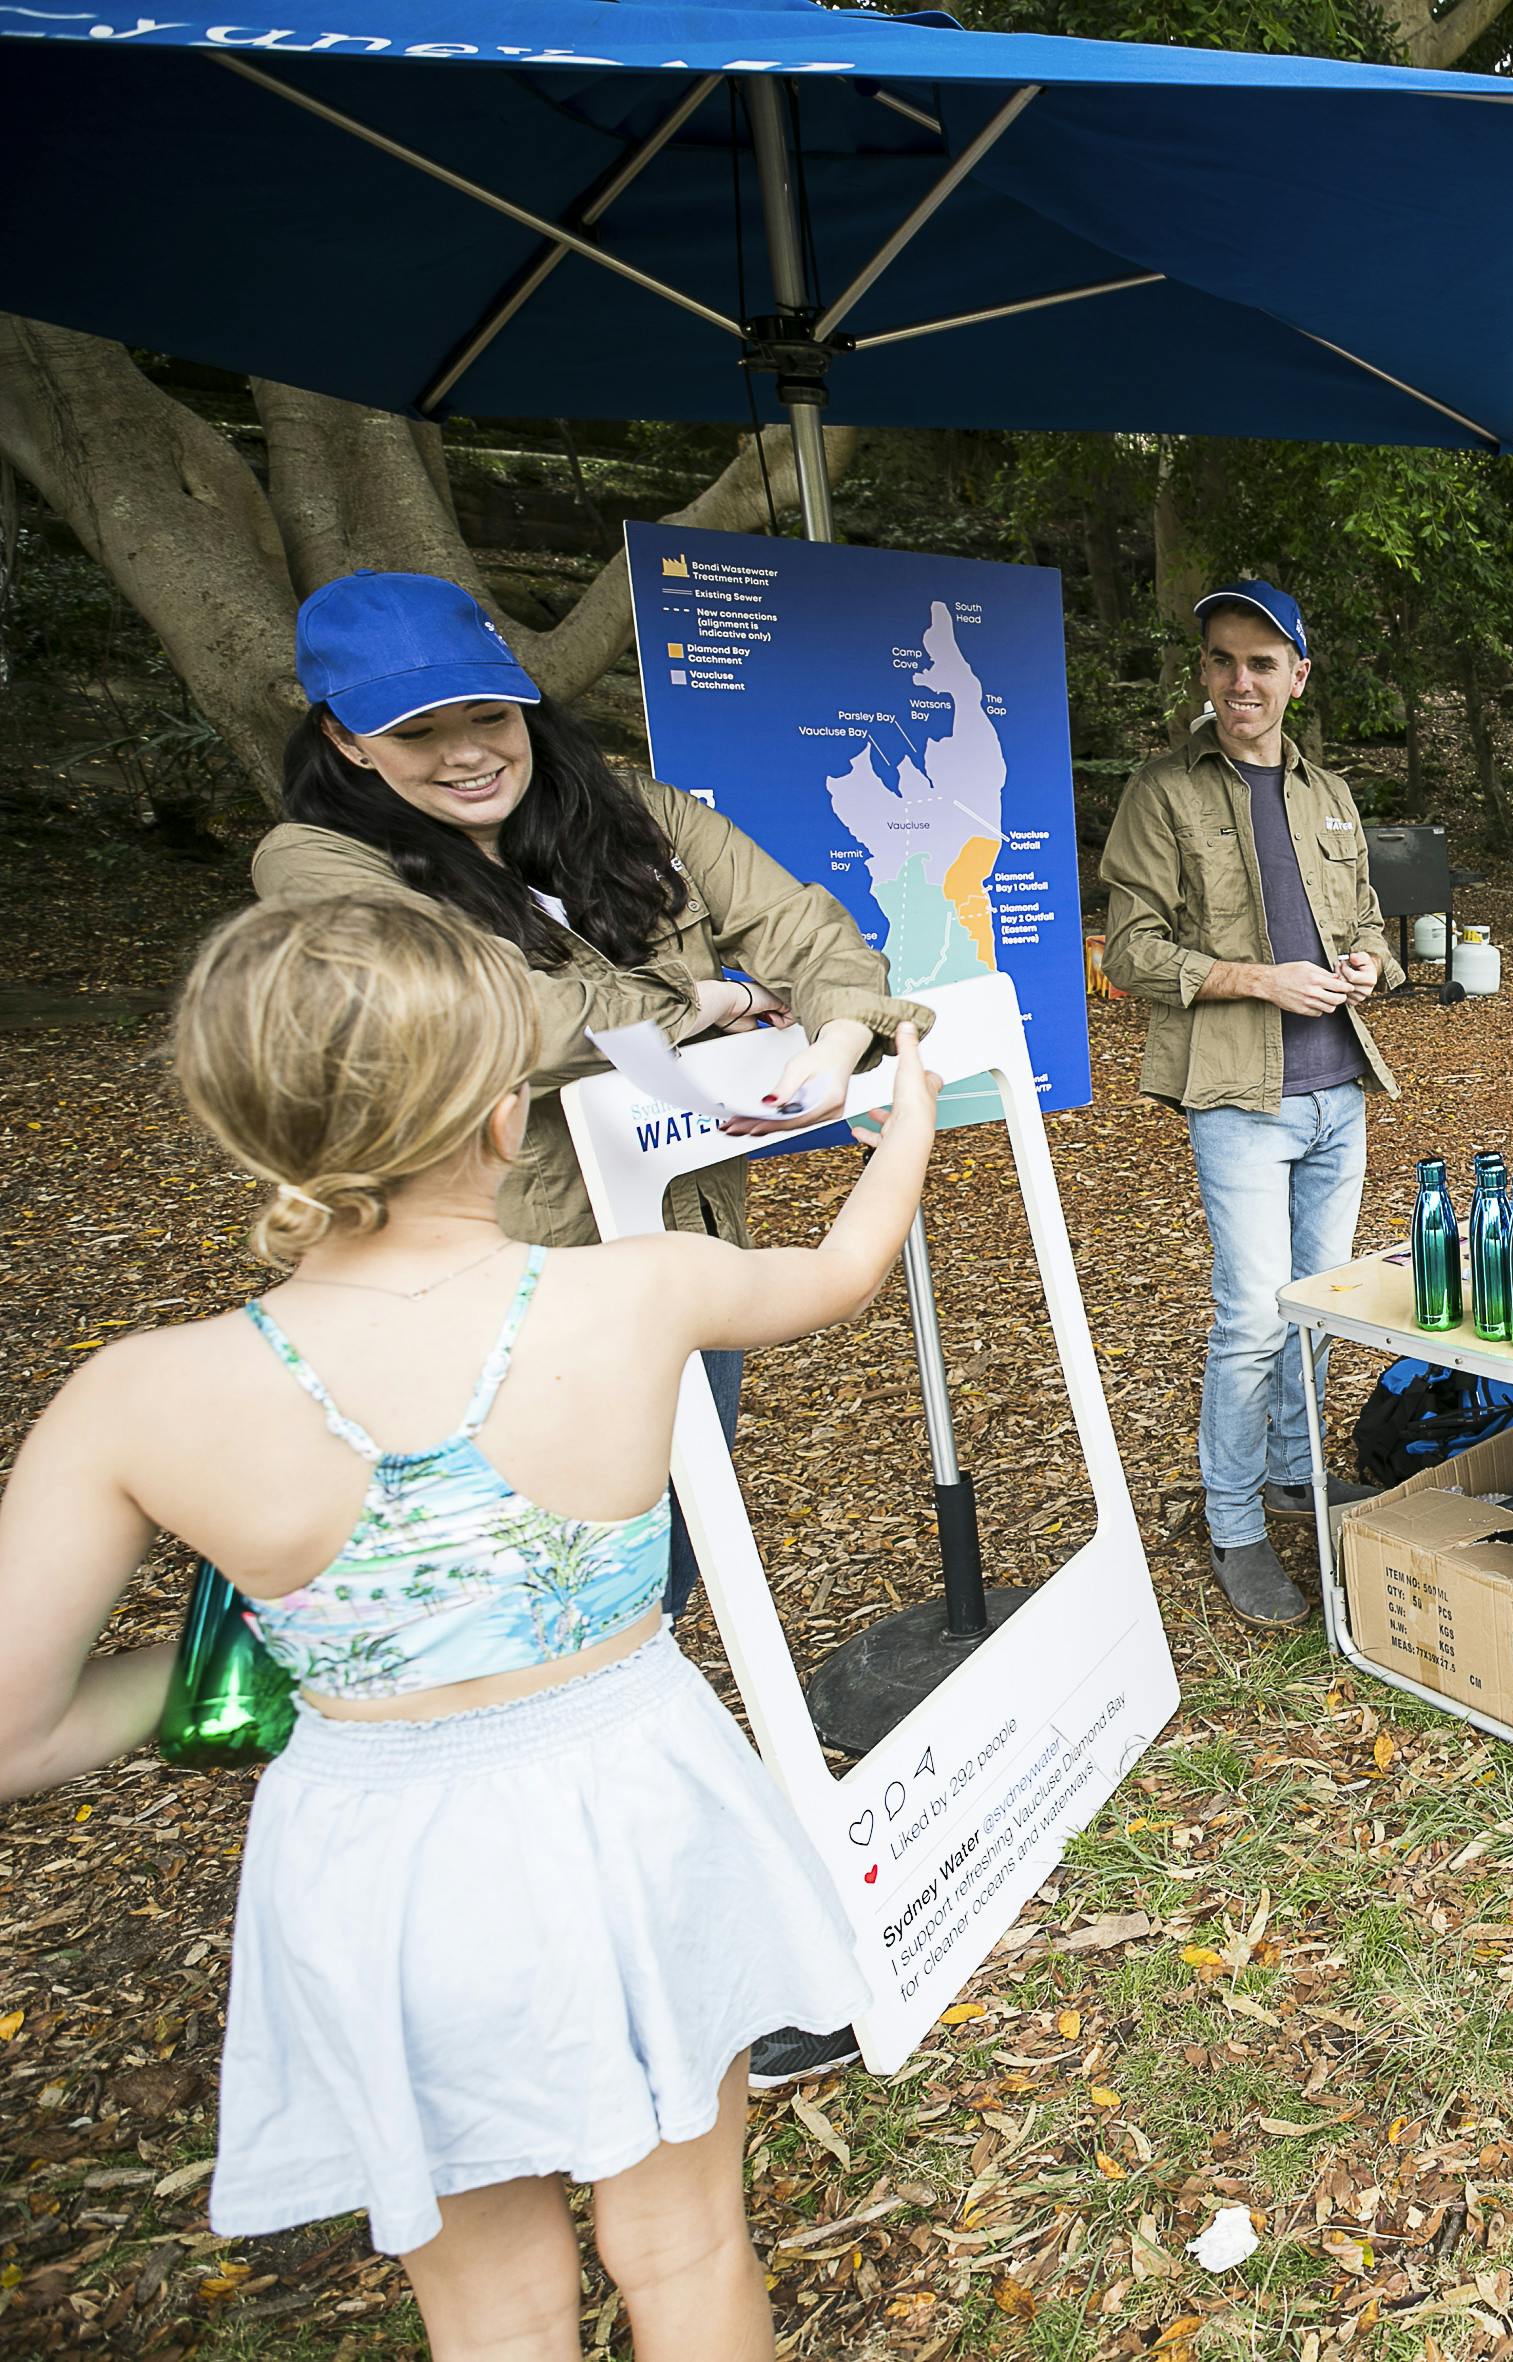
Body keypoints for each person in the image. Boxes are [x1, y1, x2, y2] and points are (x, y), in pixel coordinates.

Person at [0, 893, 936, 2359]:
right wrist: (909, 1113)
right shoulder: (629, 1293)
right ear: (507, 1110)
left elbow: (22, 1726)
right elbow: (840, 1271)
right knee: (682, 2247)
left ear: (241, 1125)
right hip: (634, 1816)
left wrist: (294, 1653)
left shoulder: (138, 1395)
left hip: (381, 1873)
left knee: (493, 2310)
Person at [250, 571, 929, 1624]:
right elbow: (493, 1018)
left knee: (672, 1546)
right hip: (512, 1283)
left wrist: (840, 1029)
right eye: (421, 730)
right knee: (543, 1585)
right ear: (346, 740)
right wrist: (709, 994)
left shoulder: (626, 809)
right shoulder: (318, 863)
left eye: (488, 713)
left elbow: (803, 924)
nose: (470, 750)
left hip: (691, 1244)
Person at [1103, 579, 1402, 1629]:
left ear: (1297, 677)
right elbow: (1130, 952)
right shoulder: (1164, 792)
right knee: (1249, 1319)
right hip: (1238, 1093)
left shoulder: (1329, 792)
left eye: (1263, 663)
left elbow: (1368, 916)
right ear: (1204, 673)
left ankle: (1291, 1477)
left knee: (1315, 1313)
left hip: (1338, 1091)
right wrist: (1259, 977)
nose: (1242, 681)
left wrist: (1368, 961)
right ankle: (1233, 1522)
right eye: (1224, 661)